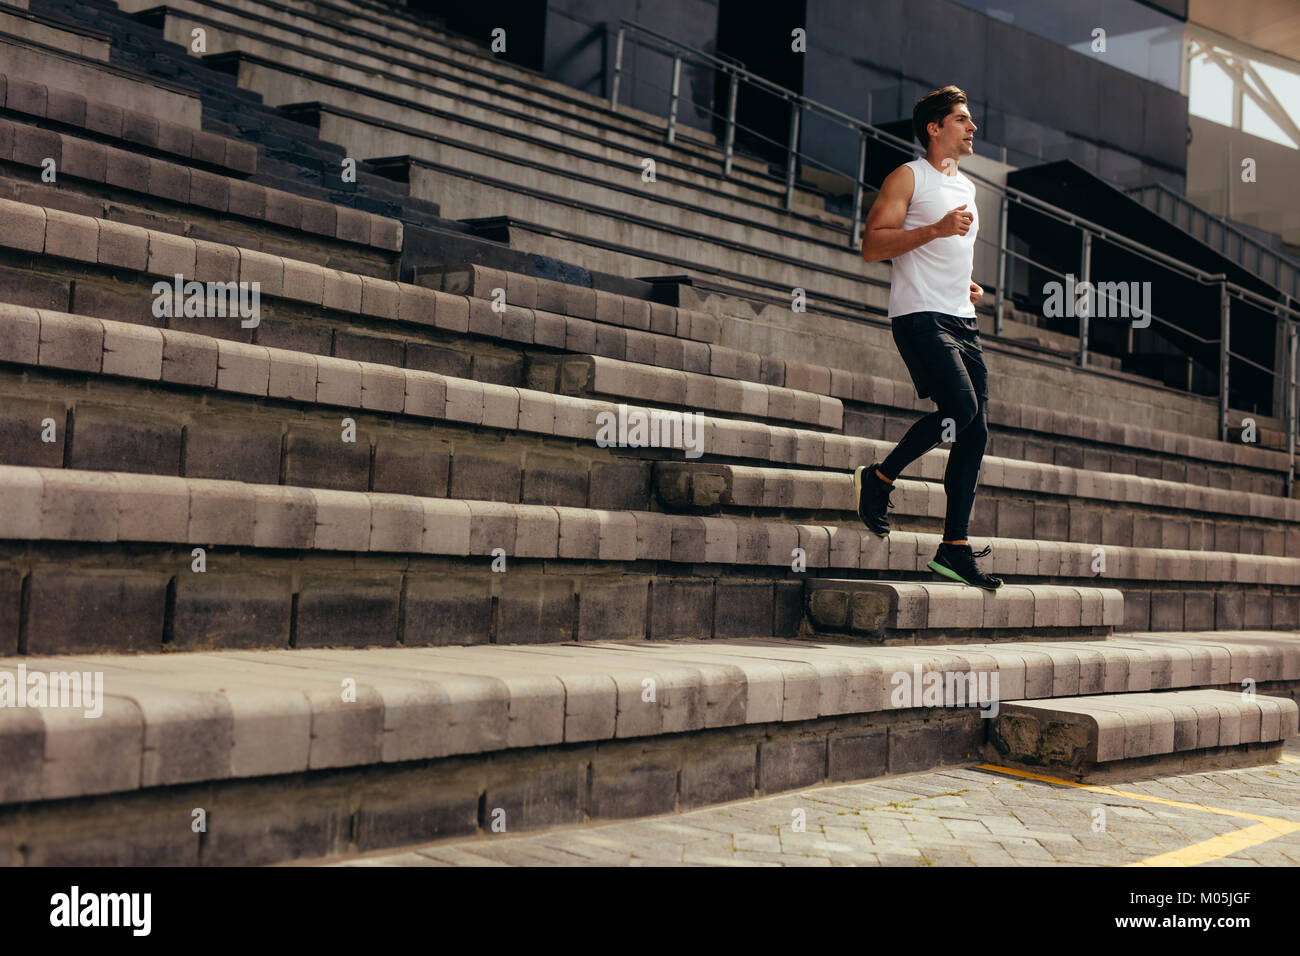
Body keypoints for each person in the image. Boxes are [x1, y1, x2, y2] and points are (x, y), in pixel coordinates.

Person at [855, 85, 1002, 590]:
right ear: (935, 129)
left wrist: (963, 283)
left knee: (976, 430)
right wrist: (935, 231)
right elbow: (872, 245)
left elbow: (947, 251)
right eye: (962, 119)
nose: (972, 127)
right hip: (920, 317)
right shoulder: (908, 176)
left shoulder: (969, 188)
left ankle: (953, 548)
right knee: (961, 412)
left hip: (961, 318)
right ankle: (879, 477)